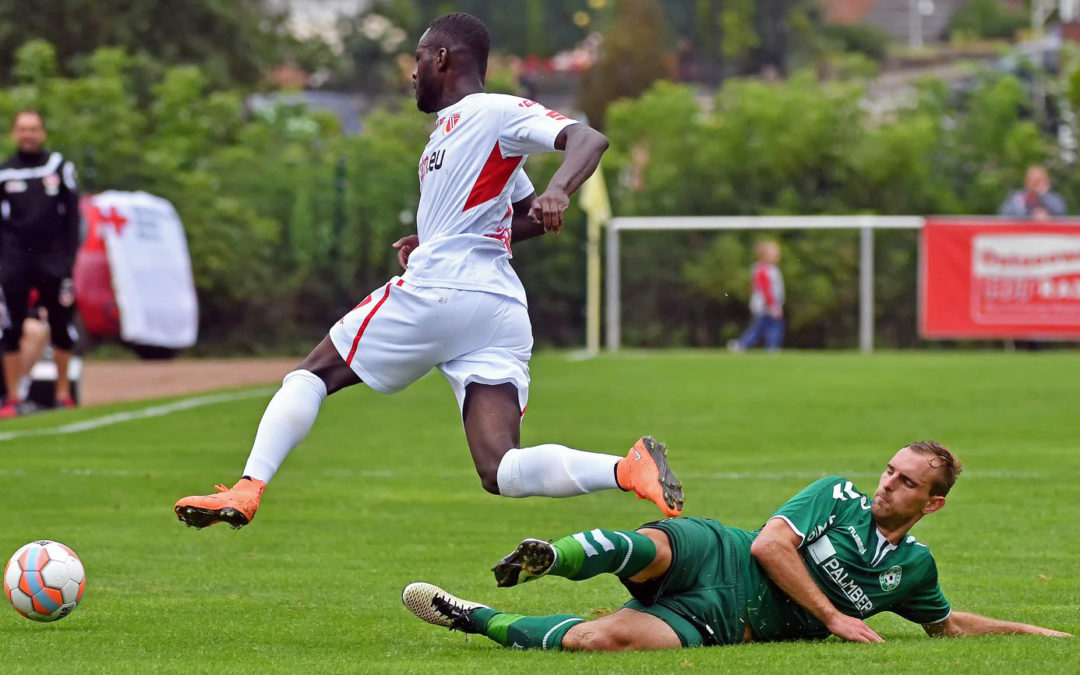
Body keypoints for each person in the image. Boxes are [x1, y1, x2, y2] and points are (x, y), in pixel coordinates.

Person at [173, 13, 683, 530]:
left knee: (312, 374)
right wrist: (435, 235)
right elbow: (518, 219)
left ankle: (248, 486)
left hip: (441, 290)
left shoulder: (493, 110)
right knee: (500, 468)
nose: (412, 74)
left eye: (417, 60)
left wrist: (559, 190)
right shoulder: (454, 134)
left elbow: (586, 138)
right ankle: (625, 469)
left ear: (440, 57)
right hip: (497, 312)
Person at [403, 441, 1071, 651]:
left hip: (727, 620)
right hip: (722, 553)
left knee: (597, 641)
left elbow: (947, 624)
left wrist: (1037, 633)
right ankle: (554, 554)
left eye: (906, 483)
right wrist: (836, 615)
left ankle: (471, 614)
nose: (886, 484)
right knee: (648, 545)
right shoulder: (835, 494)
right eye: (890, 470)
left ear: (933, 504)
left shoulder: (912, 567)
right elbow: (770, 547)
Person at [0, 110, 80, 418]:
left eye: (33, 129)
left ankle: (63, 393)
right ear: (14, 133)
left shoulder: (59, 167)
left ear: (43, 133)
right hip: (16, 257)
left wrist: (69, 258)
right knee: (12, 325)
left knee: (60, 324)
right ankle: (12, 398)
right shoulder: (5, 171)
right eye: (22, 129)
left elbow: (73, 216)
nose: (28, 134)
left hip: (53, 258)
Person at [729, 240, 784, 352]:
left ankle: (770, 346)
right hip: (765, 306)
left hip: (770, 305)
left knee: (766, 327)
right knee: (764, 327)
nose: (777, 257)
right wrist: (772, 305)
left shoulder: (772, 269)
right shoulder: (763, 270)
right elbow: (766, 290)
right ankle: (744, 344)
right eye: (774, 254)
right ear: (764, 256)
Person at [998, 165, 1067, 219]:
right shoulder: (1016, 197)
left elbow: (1061, 213)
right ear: (1026, 181)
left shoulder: (1054, 198)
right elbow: (1003, 215)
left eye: (1039, 180)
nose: (1035, 183)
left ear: (1046, 182)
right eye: (1032, 180)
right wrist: (1030, 216)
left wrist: (1042, 195)